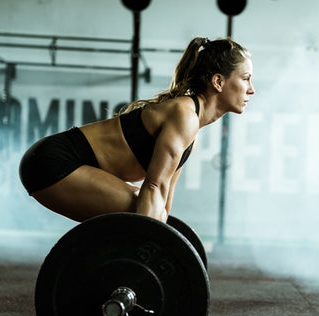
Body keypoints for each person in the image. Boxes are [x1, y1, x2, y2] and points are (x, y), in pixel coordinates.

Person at [19, 37, 255, 223]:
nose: (251, 89)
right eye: (246, 78)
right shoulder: (185, 115)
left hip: (56, 162)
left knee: (155, 213)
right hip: (51, 161)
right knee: (139, 208)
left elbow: (164, 202)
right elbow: (153, 187)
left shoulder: (190, 127)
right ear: (218, 82)